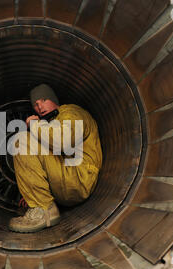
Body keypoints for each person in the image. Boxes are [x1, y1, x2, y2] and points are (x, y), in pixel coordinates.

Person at [9, 84, 103, 233]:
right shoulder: (53, 122)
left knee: (23, 139)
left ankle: (44, 211)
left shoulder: (72, 112)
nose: (40, 107)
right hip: (67, 180)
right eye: (36, 104)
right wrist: (31, 193)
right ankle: (40, 205)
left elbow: (62, 141)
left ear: (53, 99)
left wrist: (34, 124)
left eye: (44, 100)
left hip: (78, 178)